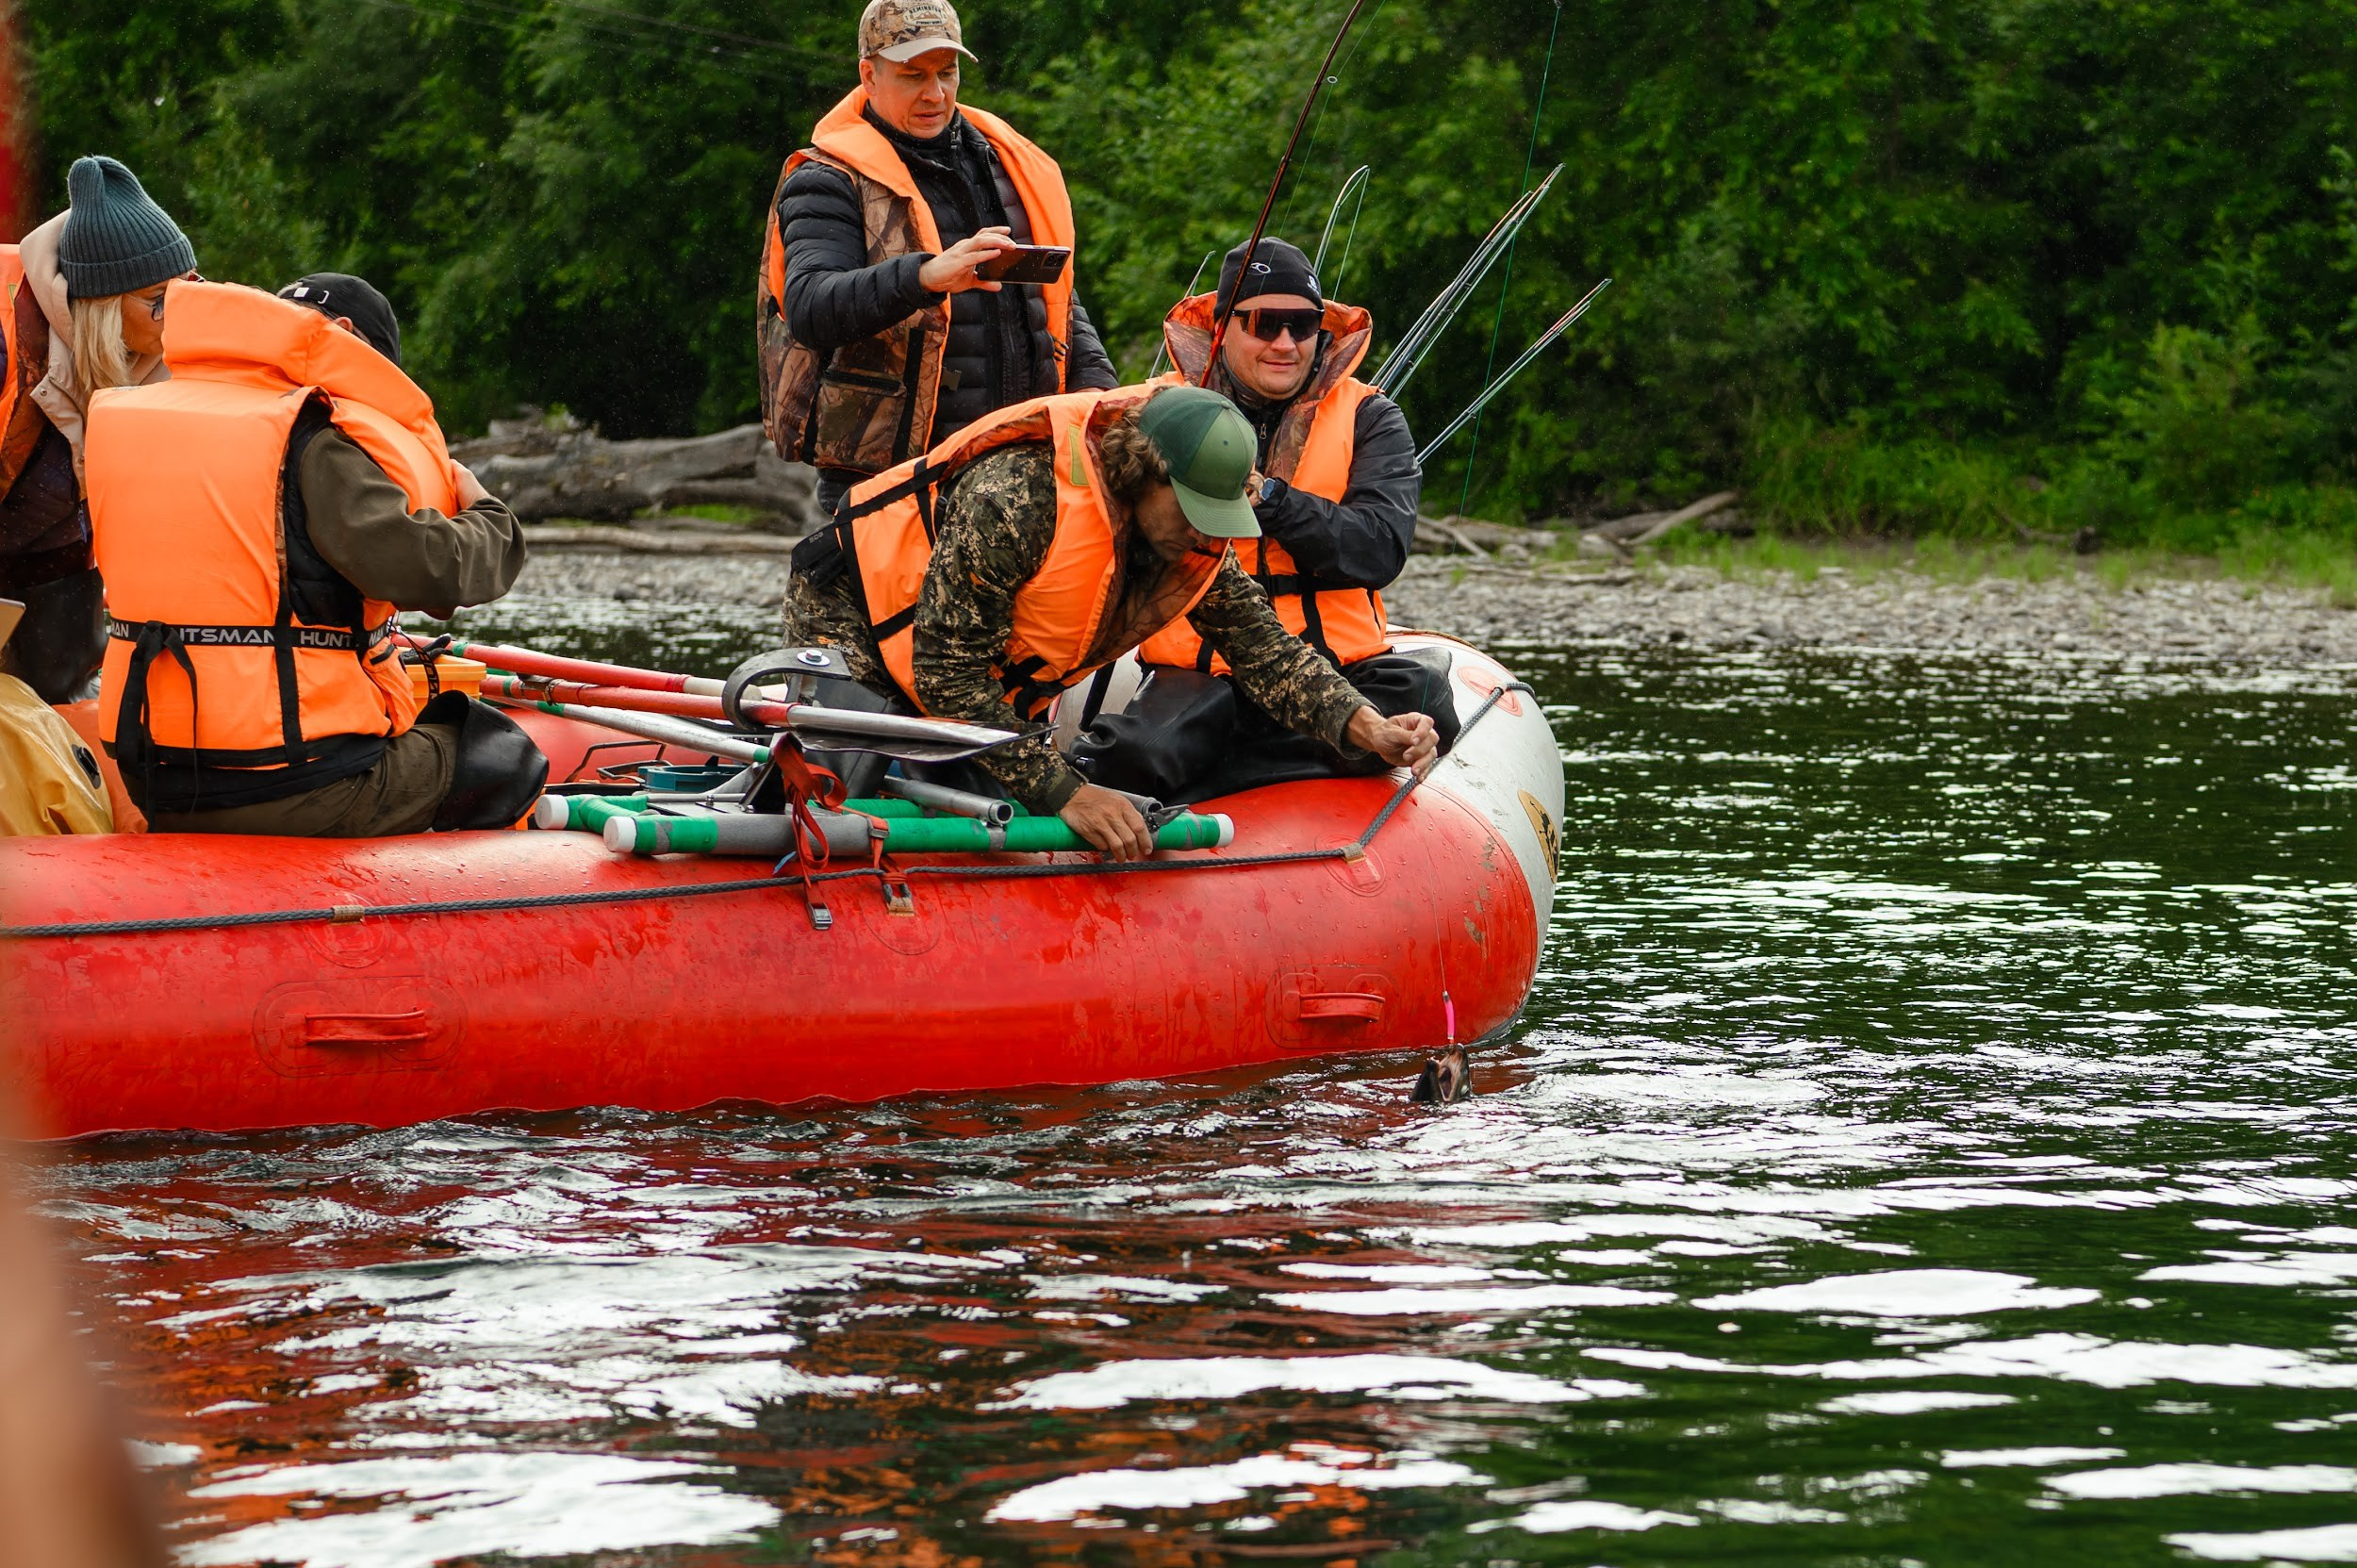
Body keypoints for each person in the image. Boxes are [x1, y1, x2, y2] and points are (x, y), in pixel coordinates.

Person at [785, 383, 1438, 859]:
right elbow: (946, 674)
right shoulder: (1019, 496)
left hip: (966, 663)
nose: (1203, 532)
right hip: (852, 618)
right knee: (847, 795)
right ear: (1140, 473)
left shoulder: (1191, 539)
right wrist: (1070, 791)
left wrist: (1367, 726)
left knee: (992, 818)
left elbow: (1266, 651)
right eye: (1189, 510)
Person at [84, 274, 544, 836]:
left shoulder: (144, 416)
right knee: (502, 751)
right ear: (347, 337)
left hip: (157, 777)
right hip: (297, 779)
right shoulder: (314, 433)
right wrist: (490, 517)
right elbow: (432, 571)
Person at [1072, 237, 1459, 801]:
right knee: (1137, 756)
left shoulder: (1371, 416)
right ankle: (1290, 756)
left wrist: (1270, 498)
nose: (1285, 344)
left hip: (1343, 666)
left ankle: (1235, 766)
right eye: (1264, 323)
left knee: (1429, 705)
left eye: (1302, 327)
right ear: (1221, 326)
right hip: (1206, 673)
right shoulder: (1154, 413)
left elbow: (1378, 550)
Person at [757, 0, 1119, 519]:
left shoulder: (1004, 162)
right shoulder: (825, 179)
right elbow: (811, 307)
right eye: (913, 76)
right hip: (888, 487)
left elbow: (1056, 299)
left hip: (1020, 471)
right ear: (869, 75)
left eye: (946, 73)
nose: (935, 94)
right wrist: (925, 276)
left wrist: (1100, 403)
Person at [0, 156, 193, 704]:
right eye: (160, 300)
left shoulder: (156, 342)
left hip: (49, 546)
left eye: (189, 288)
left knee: (69, 700)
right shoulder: (5, 335)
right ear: (101, 306)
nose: (180, 312)